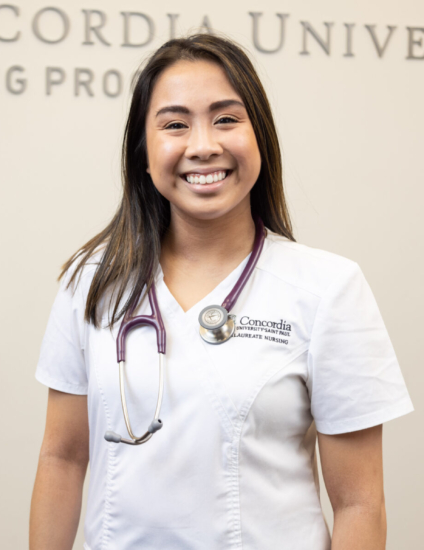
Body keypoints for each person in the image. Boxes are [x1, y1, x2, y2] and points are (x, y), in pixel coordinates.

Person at [30, 33, 414, 550]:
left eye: (227, 118)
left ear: (261, 139)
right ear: (144, 153)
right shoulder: (94, 281)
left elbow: (360, 504)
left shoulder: (327, 290)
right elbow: (62, 458)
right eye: (174, 124)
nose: (203, 144)